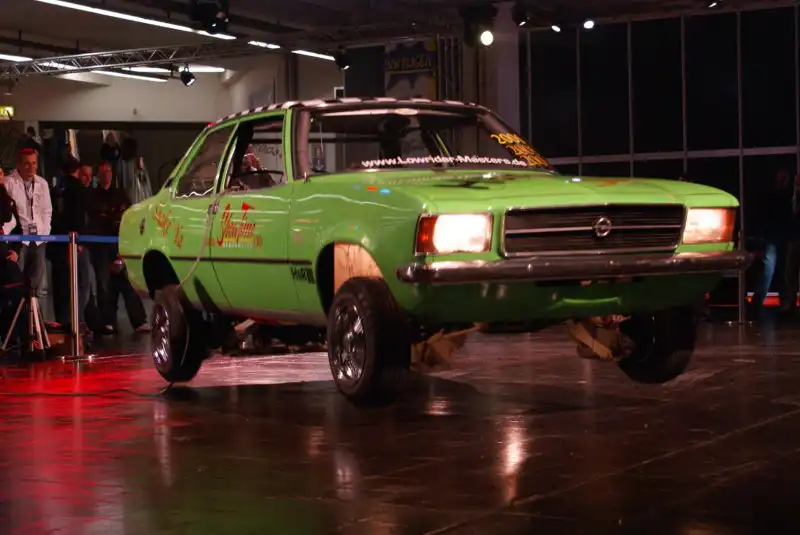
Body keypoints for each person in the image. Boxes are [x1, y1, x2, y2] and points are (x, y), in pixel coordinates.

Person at [88, 161, 149, 334]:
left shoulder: (121, 195)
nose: (106, 175)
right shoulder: (93, 197)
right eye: (103, 172)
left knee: (128, 282)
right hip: (101, 246)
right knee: (105, 284)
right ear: (98, 175)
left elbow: (127, 217)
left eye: (108, 171)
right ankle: (108, 321)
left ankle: (139, 320)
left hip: (120, 243)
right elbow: (96, 221)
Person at [3, 148, 52, 299]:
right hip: (19, 240)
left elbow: (47, 211)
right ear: (18, 164)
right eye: (27, 164)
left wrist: (44, 234)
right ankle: (19, 313)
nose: (31, 168)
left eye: (34, 163)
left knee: (35, 286)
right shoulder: (9, 182)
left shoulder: (42, 183)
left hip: (39, 240)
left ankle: (32, 313)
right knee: (16, 284)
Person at [752, 169, 794, 313]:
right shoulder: (787, 197)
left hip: (776, 235)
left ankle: (759, 299)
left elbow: (766, 216)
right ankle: (783, 301)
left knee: (772, 268)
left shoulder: (774, 196)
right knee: (781, 270)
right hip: (782, 235)